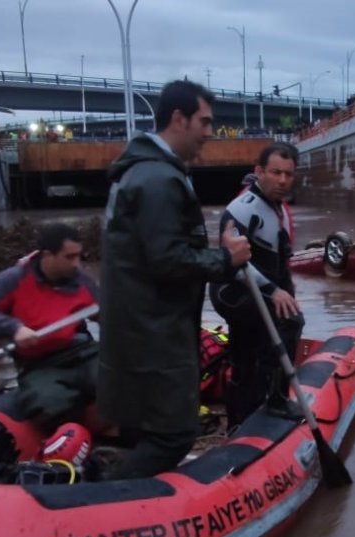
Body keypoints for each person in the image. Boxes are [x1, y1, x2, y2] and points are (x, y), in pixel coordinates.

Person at [97, 79, 251, 480]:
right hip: (155, 331)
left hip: (137, 325)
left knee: (142, 428)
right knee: (176, 434)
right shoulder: (158, 180)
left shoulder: (141, 172)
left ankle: (125, 490)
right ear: (179, 119)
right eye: (205, 122)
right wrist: (225, 259)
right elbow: (166, 260)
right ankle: (109, 495)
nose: (210, 132)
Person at [0, 223, 101, 431]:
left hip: (82, 352)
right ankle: (70, 438)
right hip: (38, 364)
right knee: (51, 404)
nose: (77, 264)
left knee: (121, 379)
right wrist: (14, 328)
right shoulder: (14, 279)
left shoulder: (82, 280)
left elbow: (107, 316)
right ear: (48, 255)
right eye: (69, 257)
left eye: (79, 256)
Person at [209, 143, 304, 428]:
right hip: (233, 291)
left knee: (276, 329)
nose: (283, 180)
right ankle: (264, 406)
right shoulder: (241, 209)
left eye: (288, 174)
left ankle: (264, 402)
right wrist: (274, 292)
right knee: (276, 331)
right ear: (259, 171)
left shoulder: (280, 209)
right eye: (276, 172)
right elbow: (233, 262)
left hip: (261, 289)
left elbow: (281, 263)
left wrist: (287, 292)